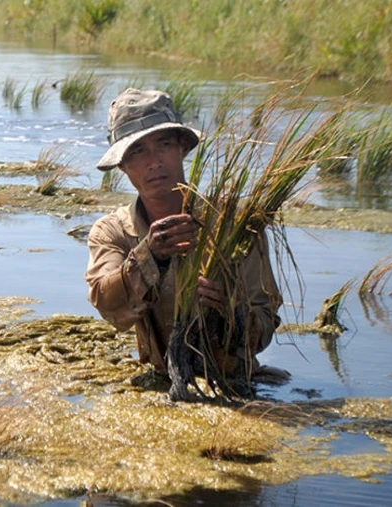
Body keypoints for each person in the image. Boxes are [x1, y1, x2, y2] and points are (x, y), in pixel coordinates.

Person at [84, 88, 288, 397]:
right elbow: (109, 307)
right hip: (162, 384)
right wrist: (149, 256)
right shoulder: (113, 232)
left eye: (163, 144)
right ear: (122, 165)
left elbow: (265, 322)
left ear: (182, 148)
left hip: (238, 384)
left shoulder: (234, 224)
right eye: (137, 151)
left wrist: (231, 314)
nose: (153, 162)